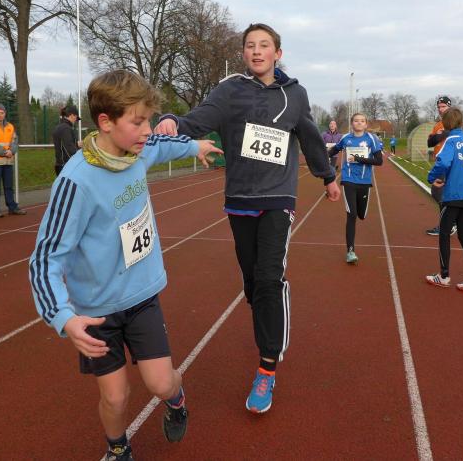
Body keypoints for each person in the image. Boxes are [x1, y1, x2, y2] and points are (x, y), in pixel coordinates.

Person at [29, 69, 221, 461]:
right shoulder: (76, 182)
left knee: (162, 384)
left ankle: (177, 400)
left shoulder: (139, 148)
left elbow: (163, 145)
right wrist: (63, 318)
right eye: (138, 122)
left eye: (148, 120)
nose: (147, 130)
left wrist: (195, 145)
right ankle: (118, 448)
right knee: (115, 399)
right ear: (106, 122)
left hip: (141, 295)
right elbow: (45, 258)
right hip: (97, 311)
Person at [154, 23, 341, 414]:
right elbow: (199, 119)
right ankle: (265, 311)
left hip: (278, 197)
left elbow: (309, 136)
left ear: (277, 53)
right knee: (254, 284)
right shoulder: (230, 90)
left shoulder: (295, 94)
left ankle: (267, 366)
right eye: (250, 45)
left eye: (264, 45)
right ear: (244, 53)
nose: (257, 51)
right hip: (240, 198)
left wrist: (327, 177)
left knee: (270, 278)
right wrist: (172, 119)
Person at [424, 108, 463, 294]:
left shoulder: (451, 140)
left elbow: (442, 162)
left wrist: (432, 177)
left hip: (454, 194)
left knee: (444, 233)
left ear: (446, 123)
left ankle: (444, 275)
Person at [329, 113, 383, 264]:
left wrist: (358, 158)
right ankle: (350, 251)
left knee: (361, 215)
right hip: (348, 180)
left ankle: (360, 213)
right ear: (352, 123)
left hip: (364, 181)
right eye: (356, 121)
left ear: (366, 124)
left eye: (362, 121)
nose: (359, 123)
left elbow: (379, 161)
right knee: (351, 214)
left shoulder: (371, 139)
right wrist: (323, 155)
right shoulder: (346, 138)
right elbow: (335, 149)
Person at [425, 96, 456, 236]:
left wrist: (439, 136)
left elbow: (450, 137)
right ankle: (451, 222)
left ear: (449, 107)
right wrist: (437, 136)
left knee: (438, 191)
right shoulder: (438, 124)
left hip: (448, 162)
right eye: (439, 107)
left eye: (443, 106)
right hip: (440, 161)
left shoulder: (453, 123)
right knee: (441, 193)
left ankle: (449, 224)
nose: (440, 109)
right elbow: (430, 142)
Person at [53, 105, 82, 175]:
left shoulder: (60, 127)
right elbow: (69, 150)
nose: (76, 121)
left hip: (61, 165)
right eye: (76, 118)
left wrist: (76, 144)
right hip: (66, 166)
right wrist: (79, 162)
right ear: (72, 115)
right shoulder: (66, 128)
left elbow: (63, 145)